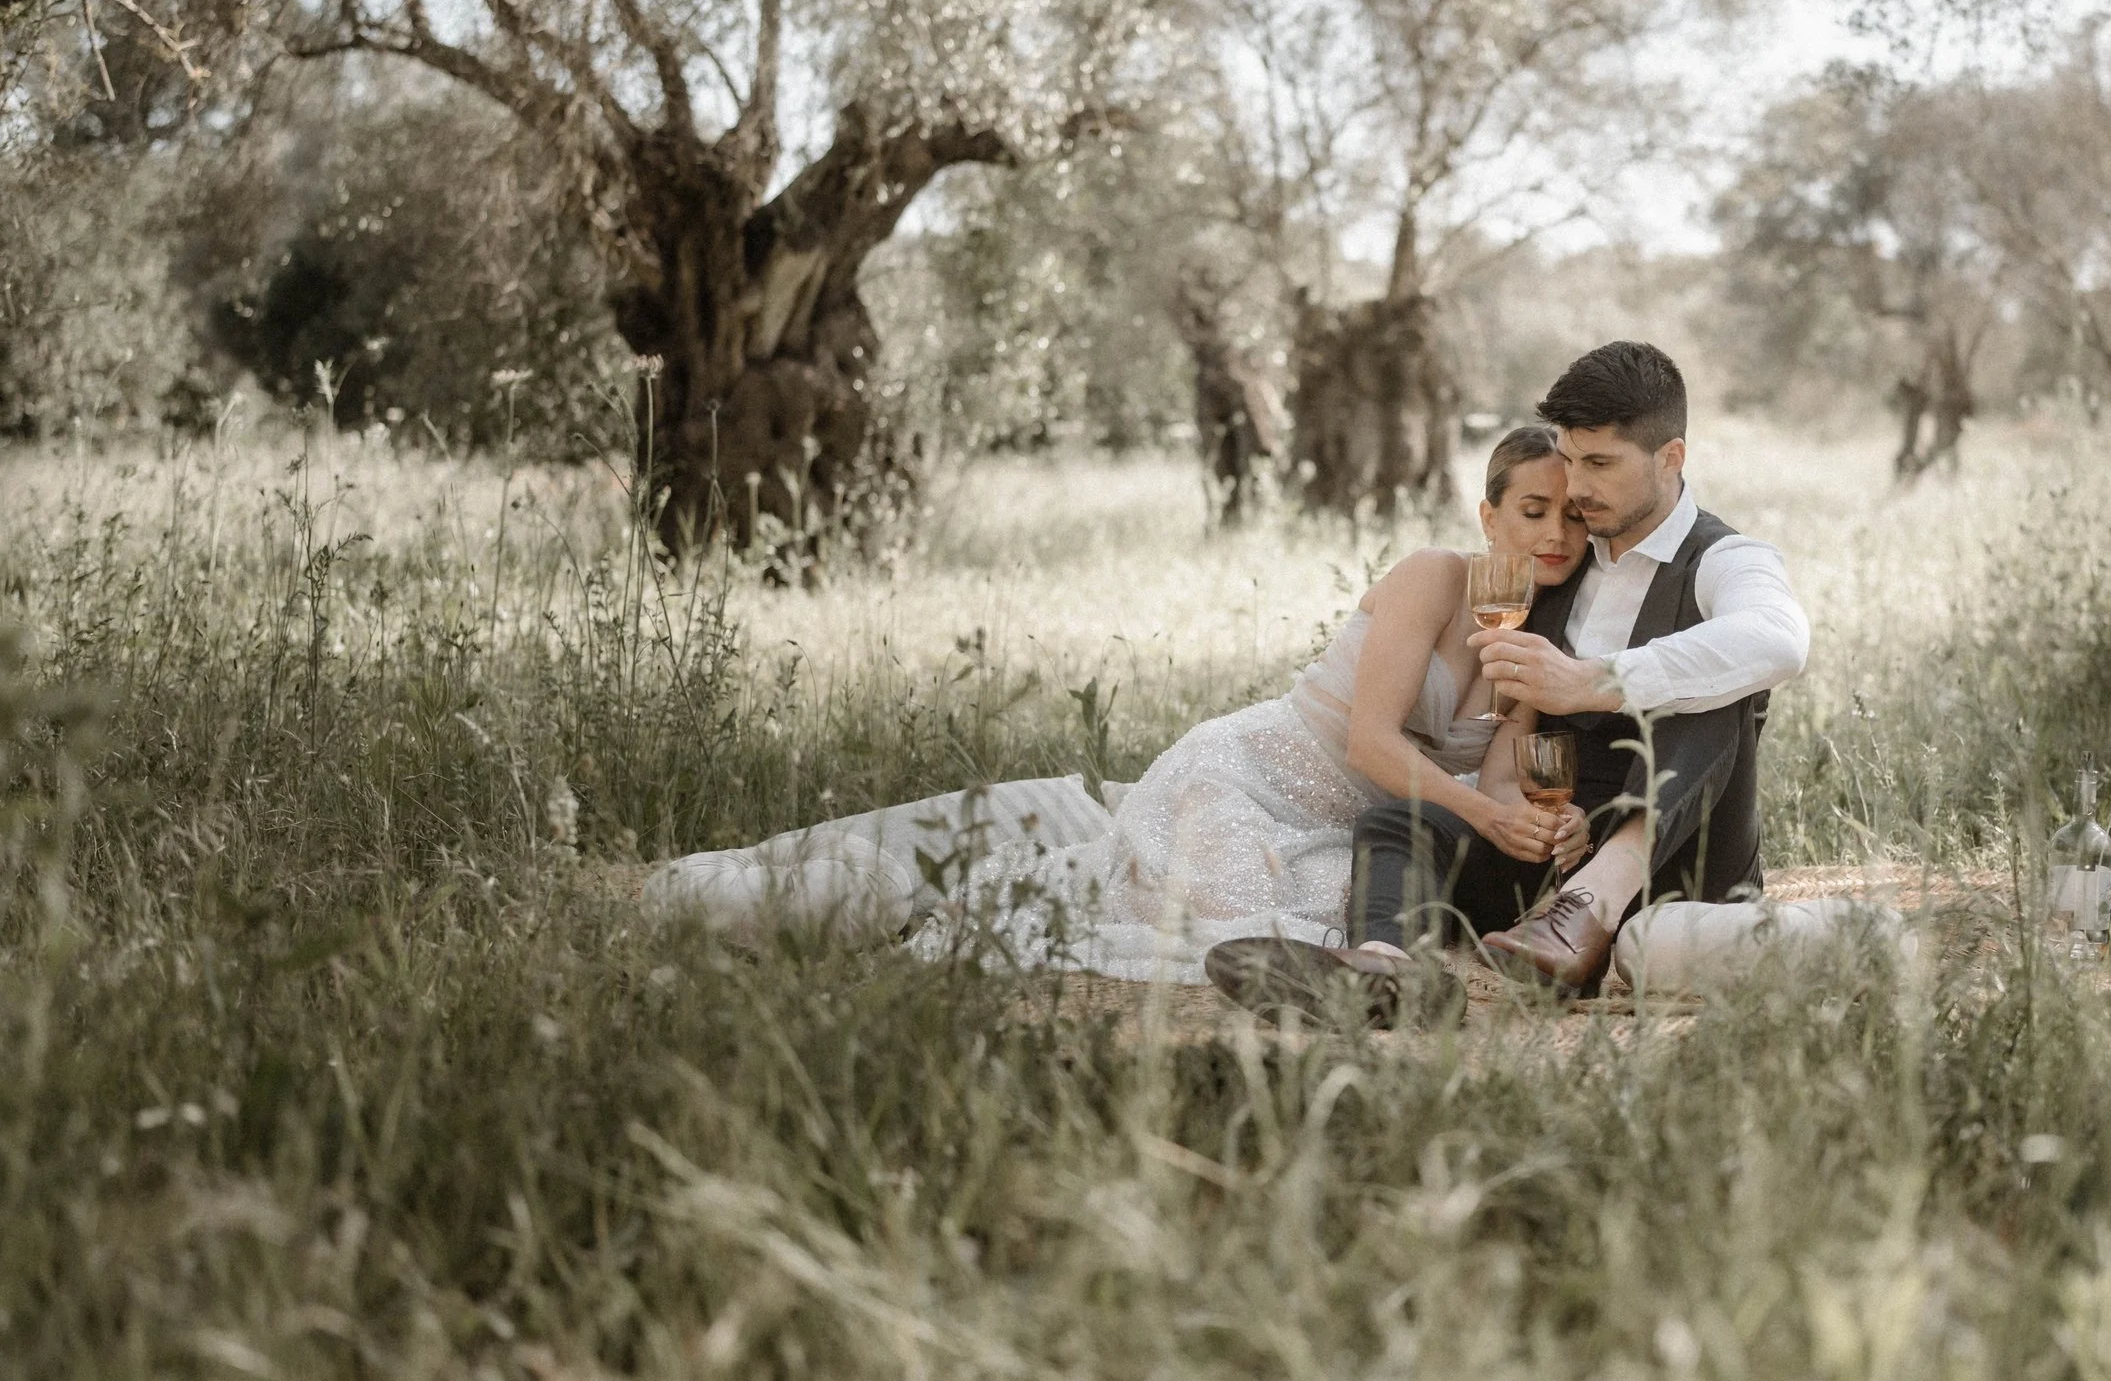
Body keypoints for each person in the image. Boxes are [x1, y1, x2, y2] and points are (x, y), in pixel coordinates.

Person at [646, 427, 1592, 999]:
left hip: (1331, 824)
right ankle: (812, 898)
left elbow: (1508, 768)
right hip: (1252, 771)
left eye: (1574, 519)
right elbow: (1369, 740)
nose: (1555, 535)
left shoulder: (1539, 633)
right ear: (1488, 516)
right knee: (1205, 909)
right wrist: (1479, 811)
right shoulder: (1433, 578)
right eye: (1534, 512)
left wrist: (1534, 814)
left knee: (1321, 916)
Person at [1208, 341, 1810, 1004]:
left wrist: (1597, 680)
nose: (1576, 488)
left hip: (1680, 866)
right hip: (1552, 859)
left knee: (1714, 670)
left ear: (1671, 458)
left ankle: (1594, 903)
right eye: (1571, 459)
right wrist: (1534, 816)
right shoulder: (1555, 569)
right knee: (1400, 822)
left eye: (1599, 464)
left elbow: (1778, 637)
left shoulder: (1727, 559)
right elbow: (1514, 745)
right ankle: (1384, 972)